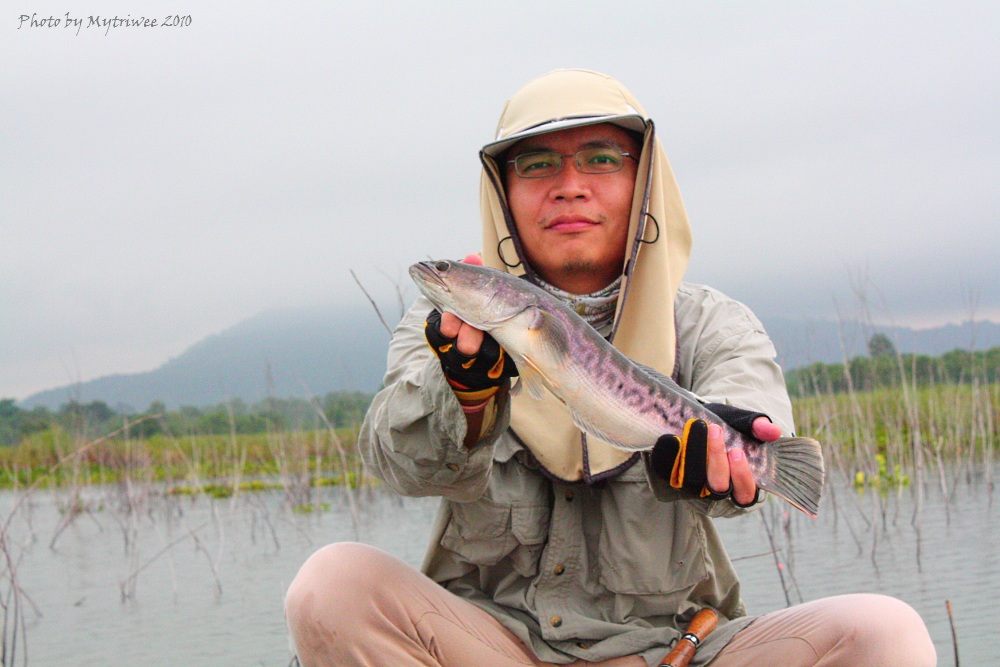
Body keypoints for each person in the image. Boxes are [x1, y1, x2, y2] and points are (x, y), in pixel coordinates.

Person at [285, 69, 936, 666]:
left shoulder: (714, 323)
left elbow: (752, 460)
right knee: (331, 583)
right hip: (489, 644)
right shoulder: (443, 329)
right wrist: (463, 395)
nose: (570, 184)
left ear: (644, 178)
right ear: (503, 195)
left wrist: (731, 455)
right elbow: (393, 462)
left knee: (885, 631)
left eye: (600, 158)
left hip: (682, 648)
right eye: (537, 164)